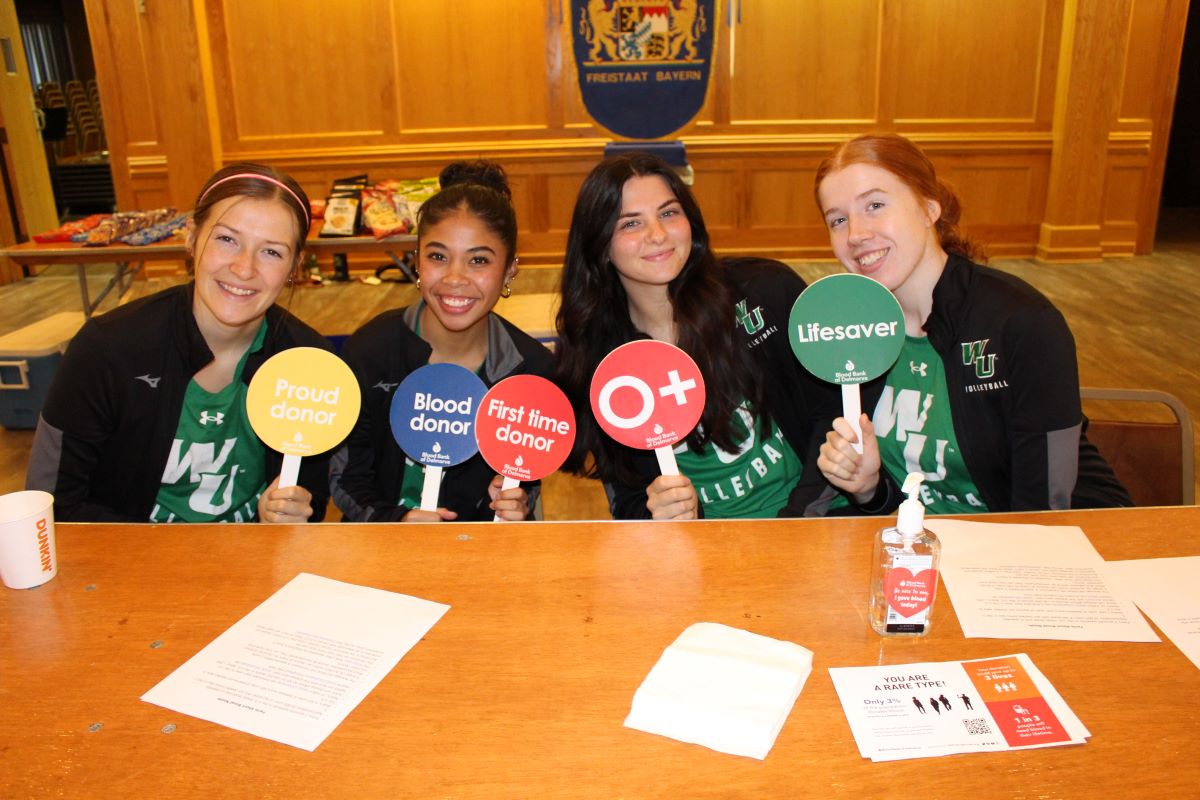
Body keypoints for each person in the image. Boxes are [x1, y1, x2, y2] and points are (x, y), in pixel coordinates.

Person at [812, 133, 1130, 514]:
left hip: (1064, 534)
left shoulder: (1022, 322)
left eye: (875, 205)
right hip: (927, 540)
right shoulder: (850, 332)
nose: (856, 234)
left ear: (930, 207)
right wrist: (868, 489)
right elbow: (903, 499)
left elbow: (1043, 510)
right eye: (838, 220)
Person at [27, 162, 332, 523]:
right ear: (191, 237)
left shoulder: (309, 363)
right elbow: (54, 504)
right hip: (125, 554)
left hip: (254, 554)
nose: (244, 268)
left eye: (271, 252)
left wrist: (284, 518)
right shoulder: (107, 349)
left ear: (295, 266)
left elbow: (310, 497)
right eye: (226, 239)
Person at [556, 152, 833, 520]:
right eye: (630, 224)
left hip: (809, 520)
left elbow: (831, 414)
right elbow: (629, 496)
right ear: (600, 246)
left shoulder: (763, 291)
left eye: (668, 213)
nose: (657, 235)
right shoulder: (601, 357)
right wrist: (661, 516)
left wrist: (798, 522)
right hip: (703, 546)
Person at [330, 160, 554, 522]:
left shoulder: (531, 370)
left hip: (479, 549)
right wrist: (396, 521)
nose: (454, 278)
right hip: (378, 545)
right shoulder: (371, 349)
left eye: (478, 260)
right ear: (416, 260)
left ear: (510, 269)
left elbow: (526, 476)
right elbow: (346, 478)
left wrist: (518, 499)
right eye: (437, 256)